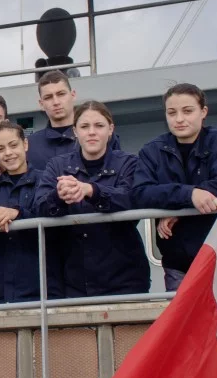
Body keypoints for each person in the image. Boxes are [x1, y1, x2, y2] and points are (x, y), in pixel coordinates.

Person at [132, 83, 217, 290]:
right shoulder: (152, 151)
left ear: (203, 112)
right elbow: (141, 192)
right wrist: (190, 195)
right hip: (177, 265)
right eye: (172, 112)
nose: (179, 119)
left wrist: (181, 211)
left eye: (187, 111)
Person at [34, 101, 150, 297]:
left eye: (99, 125)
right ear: (75, 131)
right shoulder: (57, 165)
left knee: (129, 329)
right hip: (76, 279)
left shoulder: (130, 163)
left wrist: (91, 190)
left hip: (125, 277)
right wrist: (59, 196)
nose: (92, 132)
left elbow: (133, 198)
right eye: (85, 126)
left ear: (110, 129)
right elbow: (39, 206)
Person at [0, 120, 47, 303]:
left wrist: (17, 213)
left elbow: (52, 217)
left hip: (40, 282)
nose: (8, 153)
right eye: (0, 149)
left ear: (25, 144)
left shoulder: (45, 180)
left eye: (13, 145)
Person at [28, 70, 120, 172]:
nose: (56, 102)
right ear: (41, 104)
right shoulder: (31, 145)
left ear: (73, 95)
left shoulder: (102, 136)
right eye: (48, 97)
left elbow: (117, 176)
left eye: (61, 94)